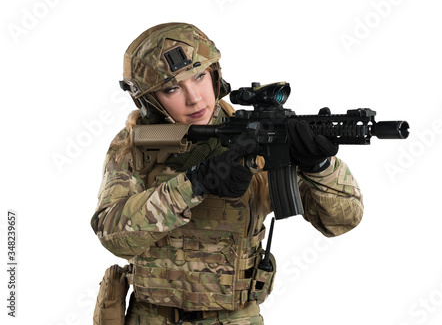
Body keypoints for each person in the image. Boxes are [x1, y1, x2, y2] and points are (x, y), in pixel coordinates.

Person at [91, 22, 364, 325]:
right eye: (172, 88)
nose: (194, 98)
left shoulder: (259, 138)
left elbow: (343, 220)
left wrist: (320, 168)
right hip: (151, 318)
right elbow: (113, 236)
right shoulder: (138, 144)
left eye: (199, 76)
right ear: (149, 100)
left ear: (216, 75)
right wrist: (194, 183)